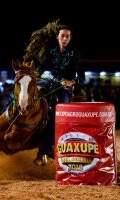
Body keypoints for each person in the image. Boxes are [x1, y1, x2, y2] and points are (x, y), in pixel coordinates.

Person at [23, 20, 85, 165]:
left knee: (59, 113)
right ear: (57, 36)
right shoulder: (49, 50)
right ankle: (0, 121)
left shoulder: (74, 54)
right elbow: (42, 68)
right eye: (62, 36)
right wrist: (35, 73)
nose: (65, 39)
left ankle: (45, 150)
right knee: (24, 93)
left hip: (63, 89)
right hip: (46, 81)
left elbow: (81, 76)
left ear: (70, 38)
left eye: (67, 36)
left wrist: (73, 82)